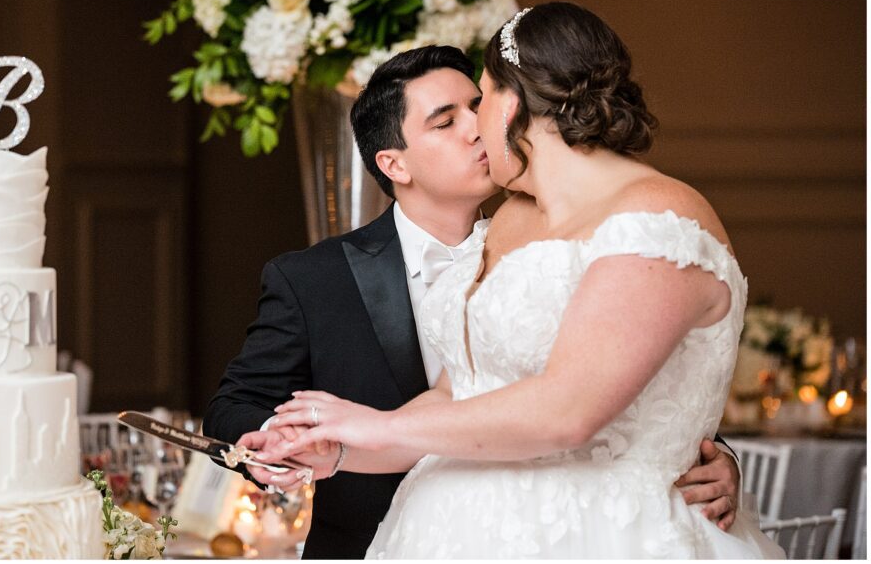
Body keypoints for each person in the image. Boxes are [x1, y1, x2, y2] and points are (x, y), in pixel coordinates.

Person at [206, 43, 742, 559]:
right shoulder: (313, 278)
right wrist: (288, 447)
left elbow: (642, 374)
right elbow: (235, 404)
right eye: (446, 121)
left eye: (477, 106)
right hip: (382, 538)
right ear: (395, 165)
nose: (478, 128)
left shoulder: (579, 229)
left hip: (586, 527)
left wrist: (715, 457)